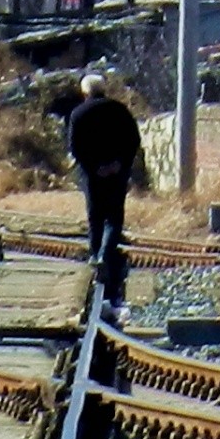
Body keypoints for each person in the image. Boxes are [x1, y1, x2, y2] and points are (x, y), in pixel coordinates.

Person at [67, 69, 143, 289]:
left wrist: (94, 167)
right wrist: (119, 164)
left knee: (95, 215)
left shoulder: (78, 114)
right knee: (114, 216)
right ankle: (105, 255)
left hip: (93, 175)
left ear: (84, 92)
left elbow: (74, 148)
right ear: (104, 89)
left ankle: (94, 255)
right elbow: (133, 139)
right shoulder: (119, 110)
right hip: (117, 172)